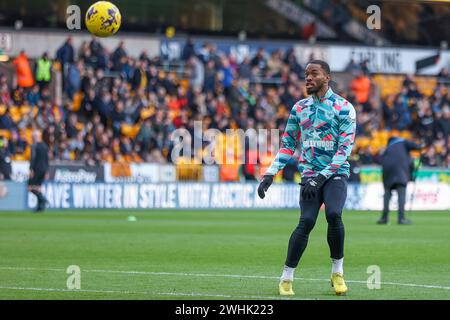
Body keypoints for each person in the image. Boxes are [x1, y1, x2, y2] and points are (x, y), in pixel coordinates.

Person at [257, 60, 356, 296]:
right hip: (310, 173)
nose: (308, 78)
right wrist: (270, 173)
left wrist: (321, 177)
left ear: (327, 77)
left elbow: (345, 150)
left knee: (333, 214)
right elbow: (288, 144)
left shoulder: (344, 107)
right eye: (306, 74)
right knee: (307, 221)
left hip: (335, 173)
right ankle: (286, 277)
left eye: (314, 74)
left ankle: (337, 272)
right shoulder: (299, 108)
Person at [377, 136, 422, 225]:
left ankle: (384, 218)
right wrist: (420, 147)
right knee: (401, 194)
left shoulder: (388, 148)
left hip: (387, 171)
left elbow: (382, 161)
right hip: (401, 171)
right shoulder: (403, 142)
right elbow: (415, 147)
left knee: (387, 194)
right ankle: (401, 218)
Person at [28, 130, 50, 212]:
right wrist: (47, 171)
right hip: (44, 169)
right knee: (38, 187)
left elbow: (33, 158)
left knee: (30, 187)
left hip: (36, 169)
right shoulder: (45, 146)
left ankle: (43, 199)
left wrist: (31, 169)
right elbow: (47, 159)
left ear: (34, 137)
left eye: (32, 136)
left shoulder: (34, 146)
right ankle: (40, 207)